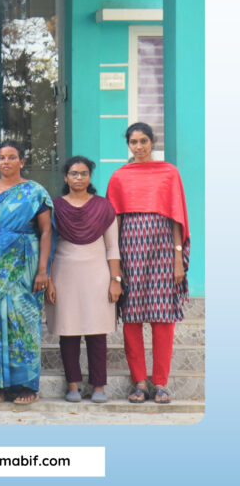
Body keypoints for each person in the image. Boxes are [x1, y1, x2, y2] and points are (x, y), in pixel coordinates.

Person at [105, 122, 190, 405]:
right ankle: (139, 382)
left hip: (163, 251)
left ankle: (161, 383)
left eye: (143, 141)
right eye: (134, 142)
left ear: (153, 142)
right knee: (132, 317)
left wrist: (178, 259)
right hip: (130, 251)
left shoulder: (169, 173)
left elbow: (176, 218)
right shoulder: (120, 177)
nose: (139, 146)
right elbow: (114, 222)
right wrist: (115, 265)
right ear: (128, 145)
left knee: (163, 318)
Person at [0, 140, 53, 404]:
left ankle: (27, 386)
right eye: (2, 157)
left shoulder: (35, 191)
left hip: (26, 263)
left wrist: (43, 270)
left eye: (12, 157)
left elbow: (46, 231)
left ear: (21, 161)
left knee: (25, 320)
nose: (6, 162)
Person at [46, 156, 123, 404]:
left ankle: (99, 386)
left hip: (97, 275)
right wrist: (49, 280)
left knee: (96, 332)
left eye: (83, 173)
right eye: (74, 173)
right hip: (63, 275)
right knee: (67, 331)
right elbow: (49, 247)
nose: (79, 177)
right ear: (65, 177)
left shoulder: (103, 207)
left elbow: (112, 247)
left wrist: (115, 280)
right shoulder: (55, 207)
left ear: (90, 177)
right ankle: (73, 385)